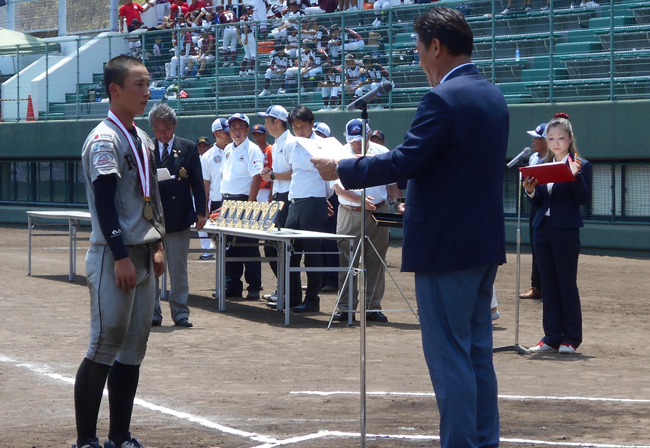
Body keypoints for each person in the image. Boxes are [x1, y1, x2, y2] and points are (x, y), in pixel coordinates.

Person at [311, 8, 508, 447]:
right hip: (481, 243)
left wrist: (342, 167)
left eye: (420, 49)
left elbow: (406, 161)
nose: (419, 60)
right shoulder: (493, 96)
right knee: (476, 353)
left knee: (449, 356)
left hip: (445, 246)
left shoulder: (442, 98)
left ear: (435, 46)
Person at [75, 55, 165, 448]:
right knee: (105, 343)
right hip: (116, 256)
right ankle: (86, 441)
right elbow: (106, 202)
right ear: (115, 90)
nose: (147, 92)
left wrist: (158, 242)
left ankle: (119, 436)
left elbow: (152, 196)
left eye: (148, 84)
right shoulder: (104, 139)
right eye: (138, 85)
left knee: (134, 348)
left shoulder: (143, 139)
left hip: (144, 253)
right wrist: (121, 255)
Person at [523, 112, 592, 354]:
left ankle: (571, 338)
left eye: (560, 138)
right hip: (542, 229)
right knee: (548, 285)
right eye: (550, 138)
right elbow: (539, 201)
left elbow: (583, 199)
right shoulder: (542, 165)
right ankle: (551, 336)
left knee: (566, 284)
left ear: (570, 138)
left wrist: (575, 176)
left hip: (566, 230)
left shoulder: (582, 165)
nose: (555, 143)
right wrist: (530, 191)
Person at [333, 119, 404, 323]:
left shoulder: (382, 152)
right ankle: (346, 308)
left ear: (368, 134)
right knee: (347, 259)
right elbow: (337, 188)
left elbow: (392, 186)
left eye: (360, 139)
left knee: (376, 260)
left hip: (379, 210)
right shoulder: (340, 153)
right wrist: (358, 199)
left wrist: (399, 204)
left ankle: (373, 308)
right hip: (349, 210)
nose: (357, 143)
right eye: (353, 140)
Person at [149, 103, 206, 328]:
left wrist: (201, 211)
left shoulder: (188, 147)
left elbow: (197, 182)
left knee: (178, 269)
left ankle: (180, 312)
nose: (162, 134)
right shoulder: (147, 149)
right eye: (156, 129)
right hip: (152, 218)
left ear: (174, 125)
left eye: (165, 129)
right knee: (152, 267)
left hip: (180, 216)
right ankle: (152, 312)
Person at [221, 113, 264, 299]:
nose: (237, 131)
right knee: (230, 246)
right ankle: (233, 286)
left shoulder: (253, 150)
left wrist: (250, 203)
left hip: (245, 200)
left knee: (248, 246)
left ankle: (254, 286)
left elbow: (256, 177)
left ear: (247, 129)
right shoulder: (228, 149)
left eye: (240, 127)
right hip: (228, 202)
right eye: (233, 128)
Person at [258, 105, 293, 304]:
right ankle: (284, 289)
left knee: (281, 248)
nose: (265, 125)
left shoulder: (289, 142)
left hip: (288, 199)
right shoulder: (278, 142)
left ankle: (288, 292)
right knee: (272, 247)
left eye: (267, 120)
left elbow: (294, 172)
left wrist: (272, 175)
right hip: (279, 197)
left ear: (277, 122)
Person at [520, 122, 548, 300]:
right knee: (536, 247)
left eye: (536, 138)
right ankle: (536, 286)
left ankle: (550, 286)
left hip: (551, 207)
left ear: (545, 141)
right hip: (535, 206)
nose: (533, 141)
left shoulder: (554, 159)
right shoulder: (533, 159)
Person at [195, 136, 215, 260]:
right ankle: (207, 249)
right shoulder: (195, 159)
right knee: (199, 222)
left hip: (212, 194)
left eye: (205, 146)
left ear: (209, 146)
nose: (202, 148)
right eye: (200, 146)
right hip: (197, 195)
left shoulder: (211, 158)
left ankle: (217, 248)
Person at [251, 123, 273, 203]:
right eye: (255, 135)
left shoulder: (270, 149)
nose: (257, 138)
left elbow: (273, 171)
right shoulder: (253, 150)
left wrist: (271, 193)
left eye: (259, 135)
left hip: (266, 190)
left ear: (265, 135)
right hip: (254, 188)